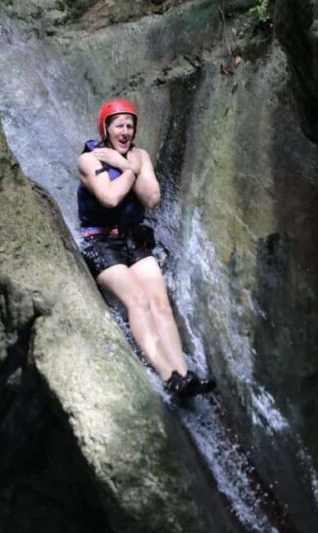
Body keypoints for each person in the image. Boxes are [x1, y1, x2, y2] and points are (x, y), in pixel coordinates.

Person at [77, 99, 215, 399]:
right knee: (138, 299)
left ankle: (184, 374)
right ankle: (168, 377)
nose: (125, 131)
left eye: (130, 125)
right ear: (105, 129)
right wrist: (129, 170)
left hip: (132, 239)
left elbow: (151, 199)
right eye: (119, 126)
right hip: (101, 242)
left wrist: (128, 165)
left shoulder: (140, 156)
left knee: (160, 302)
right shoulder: (90, 159)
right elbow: (110, 198)